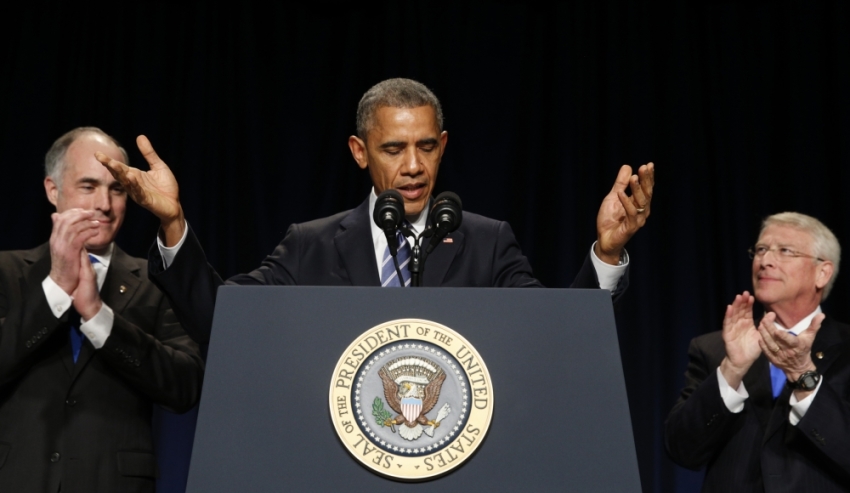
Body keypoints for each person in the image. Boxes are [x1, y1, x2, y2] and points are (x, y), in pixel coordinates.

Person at [95, 78, 655, 346]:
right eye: (393, 149)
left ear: (443, 145)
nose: (413, 166)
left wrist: (606, 254)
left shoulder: (487, 243)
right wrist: (172, 224)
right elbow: (226, 321)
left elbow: (555, 339)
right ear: (360, 153)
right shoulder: (311, 245)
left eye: (427, 147)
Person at [0, 127, 204, 493]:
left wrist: (98, 317)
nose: (104, 205)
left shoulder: (156, 281)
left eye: (117, 189)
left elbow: (185, 387)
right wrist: (56, 288)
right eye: (88, 186)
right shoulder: (7, 273)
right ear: (52, 190)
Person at [665, 212, 850, 492]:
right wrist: (732, 370)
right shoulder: (714, 349)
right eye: (761, 250)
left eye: (785, 251)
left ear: (822, 272)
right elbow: (682, 450)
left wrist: (803, 375)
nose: (765, 261)